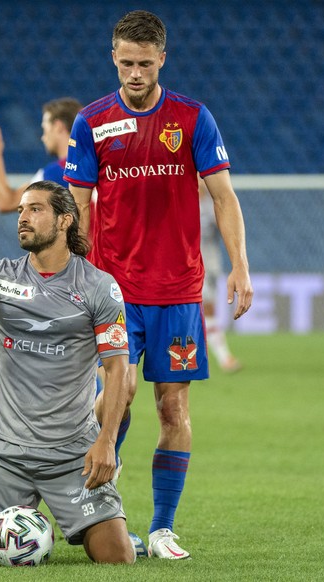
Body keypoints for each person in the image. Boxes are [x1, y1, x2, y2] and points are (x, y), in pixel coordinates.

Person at [64, 10, 253, 559]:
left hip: (177, 291)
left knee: (172, 409)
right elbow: (76, 204)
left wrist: (240, 265)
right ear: (113, 59)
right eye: (126, 63)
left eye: (145, 63)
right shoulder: (92, 121)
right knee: (113, 405)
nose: (135, 72)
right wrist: (77, 273)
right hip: (114, 291)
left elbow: (223, 196)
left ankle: (164, 526)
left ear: (162, 59)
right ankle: (106, 518)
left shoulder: (193, 118)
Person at [0, 181, 136, 564]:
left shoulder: (99, 288)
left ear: (64, 220)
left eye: (35, 209)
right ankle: (32, 521)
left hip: (72, 454)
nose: (22, 217)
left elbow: (117, 368)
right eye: (21, 210)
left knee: (118, 557)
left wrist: (106, 441)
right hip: (3, 453)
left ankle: (55, 519)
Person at [0, 97, 82, 212]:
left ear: (58, 126)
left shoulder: (56, 173)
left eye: (45, 129)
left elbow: (7, 202)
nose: (43, 137)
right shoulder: (95, 163)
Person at [199, 177, 242, 373]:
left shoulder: (212, 203)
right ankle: (224, 357)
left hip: (211, 263)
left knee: (208, 309)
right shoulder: (182, 200)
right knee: (206, 309)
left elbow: (225, 226)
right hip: (191, 265)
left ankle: (206, 355)